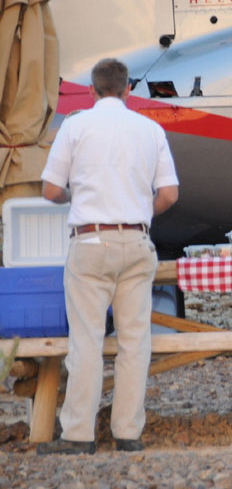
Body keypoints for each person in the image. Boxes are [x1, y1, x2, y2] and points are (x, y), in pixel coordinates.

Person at [37, 58, 179, 454]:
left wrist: (72, 195)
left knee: (86, 342)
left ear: (91, 90)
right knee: (136, 342)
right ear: (128, 89)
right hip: (137, 242)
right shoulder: (151, 129)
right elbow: (168, 194)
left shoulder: (76, 125)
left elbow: (50, 190)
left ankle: (79, 434)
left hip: (90, 244)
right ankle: (127, 433)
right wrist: (137, 213)